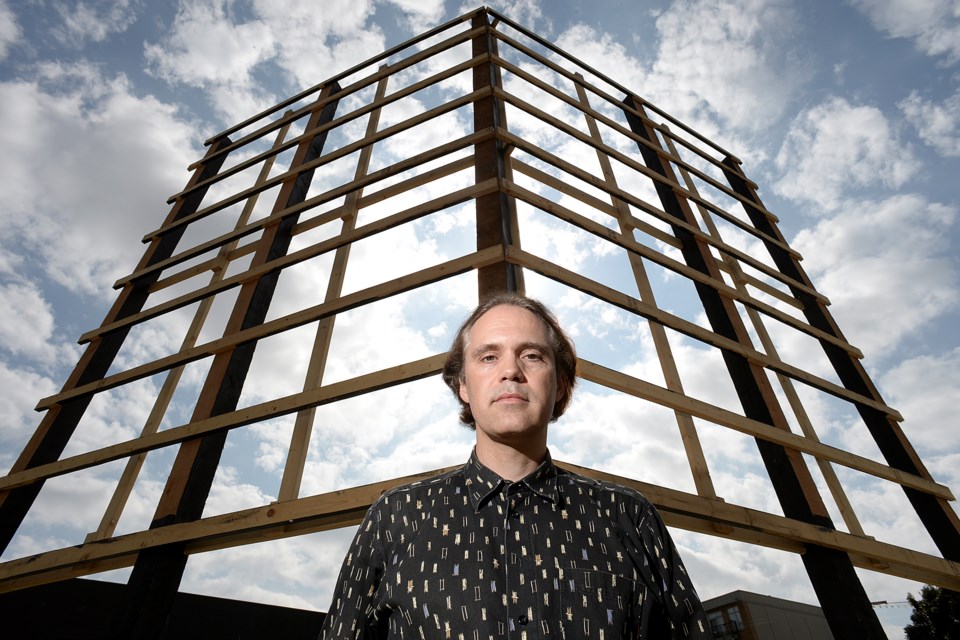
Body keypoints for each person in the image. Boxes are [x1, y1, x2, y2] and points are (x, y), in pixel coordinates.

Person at [319, 292, 712, 639]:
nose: (511, 370)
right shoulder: (396, 516)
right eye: (489, 357)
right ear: (463, 386)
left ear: (559, 384)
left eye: (532, 356)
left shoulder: (629, 516)